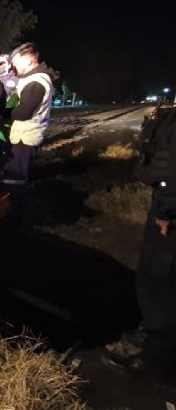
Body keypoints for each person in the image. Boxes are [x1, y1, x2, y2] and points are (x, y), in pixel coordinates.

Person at [103, 106, 176, 385]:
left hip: (170, 220)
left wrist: (165, 211)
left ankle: (154, 361)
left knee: (160, 285)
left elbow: (172, 171)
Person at [1, 43, 57, 193]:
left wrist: (3, 113)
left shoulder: (36, 82)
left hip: (25, 137)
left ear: (28, 61)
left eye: (16, 64)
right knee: (16, 173)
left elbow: (23, 113)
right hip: (23, 135)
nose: (14, 67)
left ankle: (14, 205)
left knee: (15, 177)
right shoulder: (33, 78)